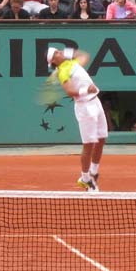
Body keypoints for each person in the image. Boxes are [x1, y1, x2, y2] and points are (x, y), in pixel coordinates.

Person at [46, 47, 108, 191]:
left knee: (101, 139)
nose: (60, 52)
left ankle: (94, 172)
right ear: (53, 61)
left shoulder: (72, 63)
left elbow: (84, 55)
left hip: (96, 102)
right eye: (56, 53)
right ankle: (85, 178)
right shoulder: (63, 72)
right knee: (89, 145)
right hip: (85, 107)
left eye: (58, 51)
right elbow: (69, 91)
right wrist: (86, 90)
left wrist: (68, 52)